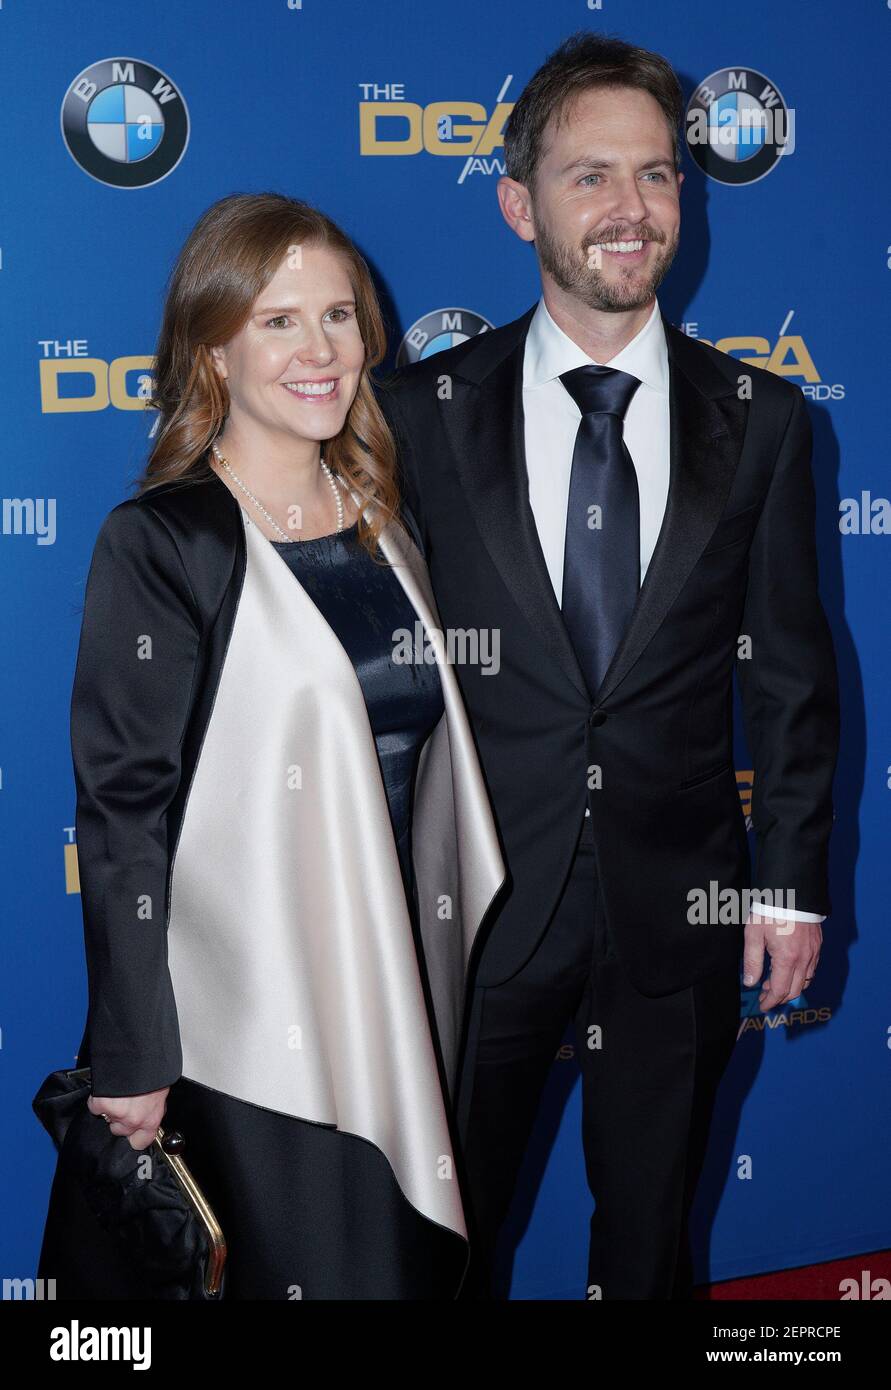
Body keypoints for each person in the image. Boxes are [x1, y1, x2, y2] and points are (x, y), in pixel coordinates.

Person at [376, 32, 840, 1299]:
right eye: (591, 178)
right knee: (436, 1256)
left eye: (659, 176)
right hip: (472, 918)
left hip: (677, 919)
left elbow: (794, 674)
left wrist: (790, 883)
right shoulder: (418, 412)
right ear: (522, 202)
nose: (631, 211)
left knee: (648, 1255)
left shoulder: (764, 421)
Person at [37, 191, 505, 1300]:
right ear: (212, 347)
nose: (321, 349)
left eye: (339, 316)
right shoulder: (163, 542)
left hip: (394, 996)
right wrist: (136, 1056)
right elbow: (123, 817)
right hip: (245, 1035)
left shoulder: (381, 518)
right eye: (279, 319)